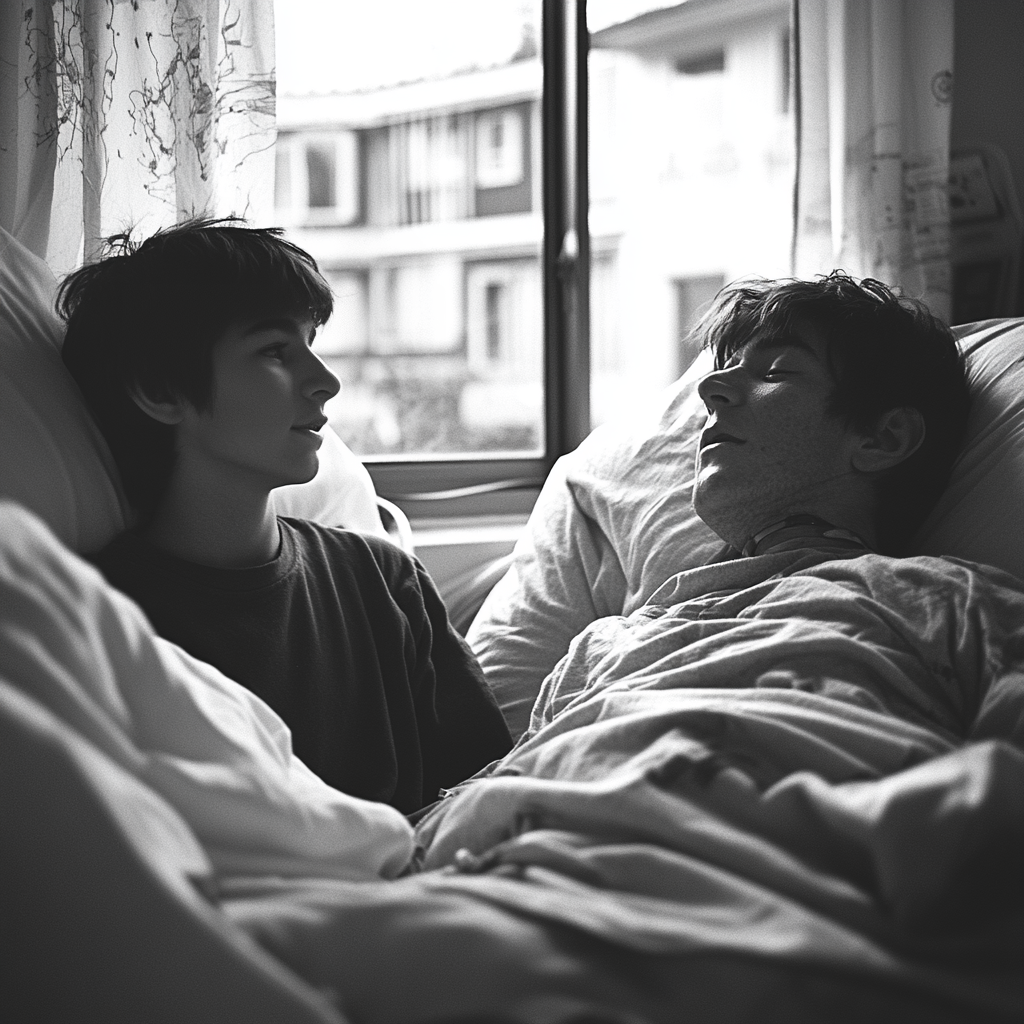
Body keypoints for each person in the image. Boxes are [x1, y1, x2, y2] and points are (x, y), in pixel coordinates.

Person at [58, 218, 511, 814]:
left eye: (311, 346)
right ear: (160, 390)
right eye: (274, 351)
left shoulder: (381, 580)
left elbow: (489, 793)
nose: (325, 383)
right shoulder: (102, 622)